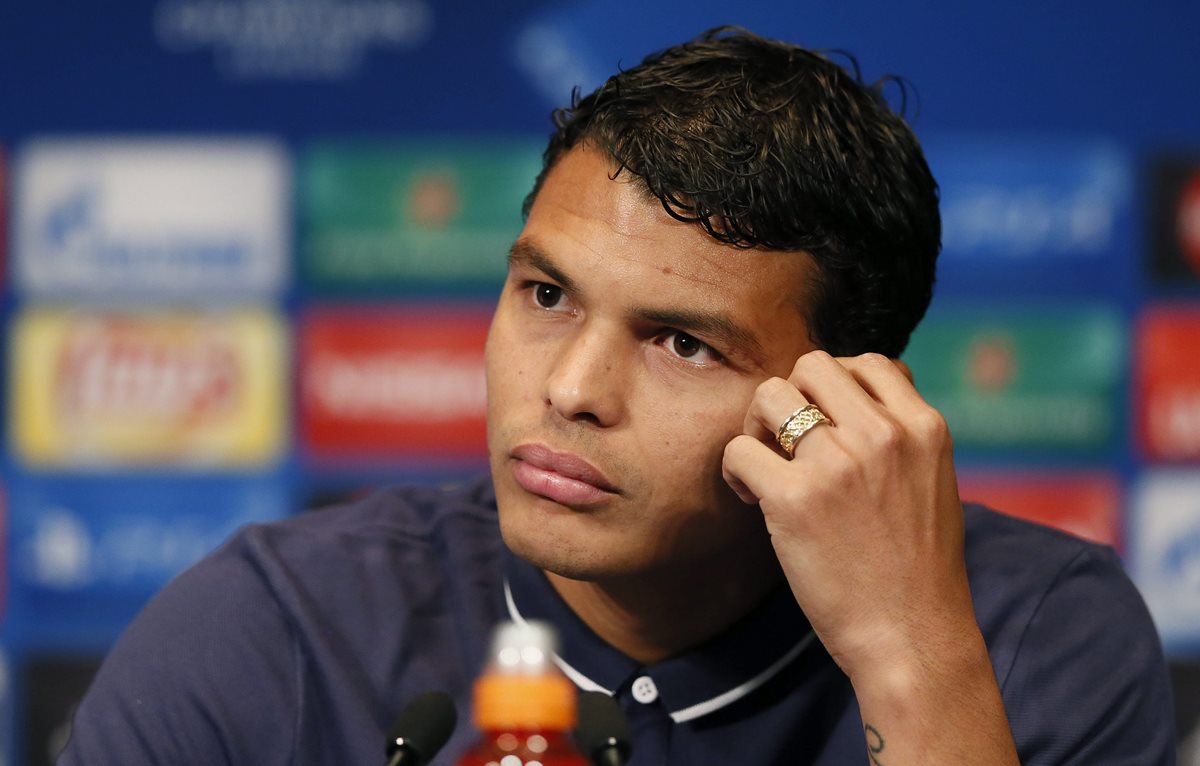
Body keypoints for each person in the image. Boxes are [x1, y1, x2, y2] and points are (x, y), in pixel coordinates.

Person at [58, 27, 1174, 765]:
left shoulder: (1035, 636)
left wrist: (909, 654)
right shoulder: (276, 630)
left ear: (842, 407)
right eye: (546, 292)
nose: (572, 388)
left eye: (684, 344)